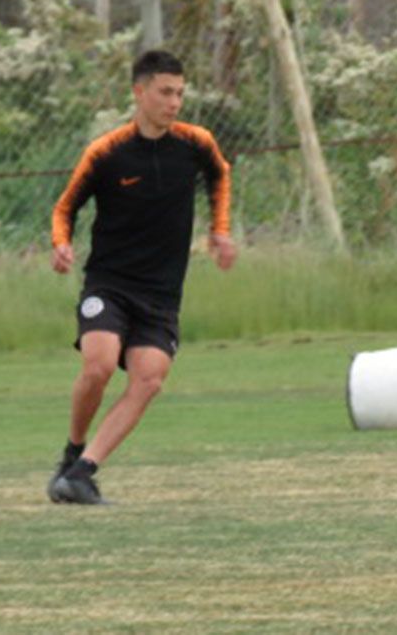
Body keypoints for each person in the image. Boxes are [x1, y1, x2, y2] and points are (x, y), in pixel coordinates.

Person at [46, 50, 237, 505]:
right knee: (99, 363)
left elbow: (221, 175)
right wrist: (61, 243)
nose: (174, 102)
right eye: (165, 92)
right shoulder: (108, 151)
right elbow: (65, 207)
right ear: (140, 92)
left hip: (161, 294)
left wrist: (220, 231)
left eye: (180, 94)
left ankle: (83, 472)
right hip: (109, 284)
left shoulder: (197, 144)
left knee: (150, 378)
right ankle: (72, 450)